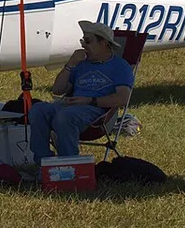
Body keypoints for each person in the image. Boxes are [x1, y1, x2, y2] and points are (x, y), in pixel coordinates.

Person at [30, 20, 133, 163]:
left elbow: (122, 98)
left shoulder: (120, 66)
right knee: (38, 109)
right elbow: (58, 90)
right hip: (72, 105)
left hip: (97, 110)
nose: (83, 45)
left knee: (65, 116)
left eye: (88, 41)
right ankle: (43, 163)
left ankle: (69, 164)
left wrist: (89, 100)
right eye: (82, 40)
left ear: (104, 43)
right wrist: (70, 64)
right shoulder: (81, 64)